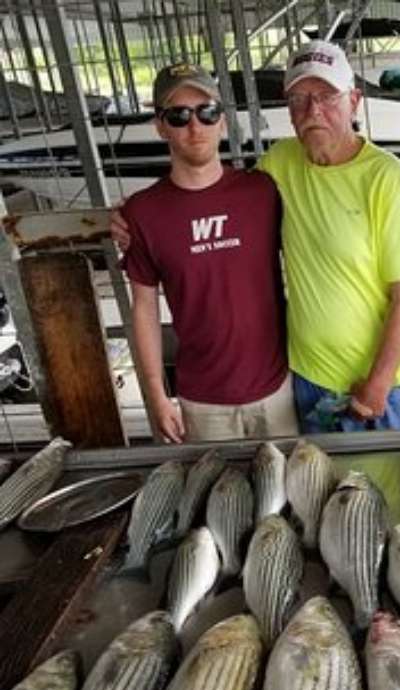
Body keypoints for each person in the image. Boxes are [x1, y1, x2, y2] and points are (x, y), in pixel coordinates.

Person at [259, 41, 400, 432]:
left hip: (382, 391)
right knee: (320, 491)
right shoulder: (279, 163)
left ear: (354, 100)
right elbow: (226, 205)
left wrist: (378, 382)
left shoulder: (389, 182)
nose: (313, 111)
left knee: (391, 491)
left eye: (326, 96)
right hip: (311, 379)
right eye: (300, 99)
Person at [120, 62, 296, 443]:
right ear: (160, 125)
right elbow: (144, 309)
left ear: (222, 121)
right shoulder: (142, 212)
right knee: (217, 501)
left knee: (290, 499)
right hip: (202, 403)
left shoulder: (263, 191)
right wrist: (156, 395)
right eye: (179, 115)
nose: (195, 126)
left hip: (278, 389)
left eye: (207, 112)